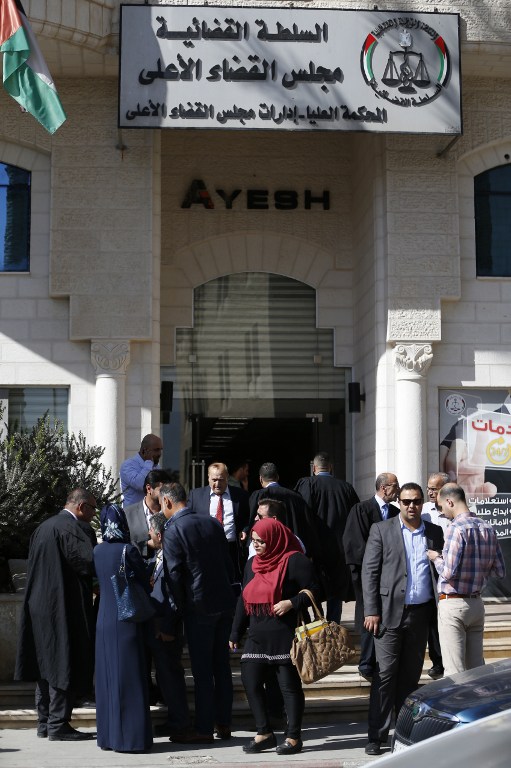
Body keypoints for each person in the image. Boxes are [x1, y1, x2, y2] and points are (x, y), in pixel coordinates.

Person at [362, 482, 444, 756]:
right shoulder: (382, 530)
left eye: (417, 501)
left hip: (421, 615)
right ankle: (376, 735)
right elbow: (369, 573)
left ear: (423, 503)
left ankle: (404, 734)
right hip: (387, 615)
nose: (412, 506)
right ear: (399, 502)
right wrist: (371, 610)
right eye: (407, 501)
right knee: (384, 676)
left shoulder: (434, 532)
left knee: (410, 679)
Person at [230, 517, 319, 756]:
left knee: (288, 686)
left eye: (261, 541)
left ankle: (293, 737)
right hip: (258, 633)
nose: (256, 545)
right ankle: (264, 733)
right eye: (254, 540)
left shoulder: (295, 561)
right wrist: (236, 631)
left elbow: (317, 589)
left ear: (275, 539)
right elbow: (243, 599)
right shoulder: (252, 564)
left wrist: (292, 602)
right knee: (250, 680)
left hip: (285, 633)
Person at [15, 488, 97, 741]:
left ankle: (44, 722)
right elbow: (86, 563)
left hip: (38, 605)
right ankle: (58, 723)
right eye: (93, 509)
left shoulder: (44, 527)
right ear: (82, 507)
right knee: (62, 661)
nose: (94, 515)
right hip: (61, 606)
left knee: (44, 665)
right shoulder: (72, 529)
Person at [161, 482, 236, 744]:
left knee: (203, 670)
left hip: (198, 606)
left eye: (162, 505)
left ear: (168, 502)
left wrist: (176, 613)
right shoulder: (212, 523)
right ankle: (223, 723)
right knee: (221, 666)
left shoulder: (173, 529)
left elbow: (173, 576)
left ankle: (204, 728)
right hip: (223, 602)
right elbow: (228, 564)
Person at [427, 483, 506, 676]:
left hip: (453, 604)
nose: (442, 512)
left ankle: (458, 706)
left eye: (441, 506)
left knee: (454, 672)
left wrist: (435, 557)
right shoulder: (488, 528)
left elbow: (448, 572)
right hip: (476, 603)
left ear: (450, 501)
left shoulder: (456, 528)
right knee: (477, 671)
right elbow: (499, 571)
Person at [94, 504, 153, 753]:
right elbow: (141, 577)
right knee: (130, 678)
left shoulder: (97, 551)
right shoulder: (128, 550)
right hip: (126, 619)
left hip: (104, 620)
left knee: (108, 679)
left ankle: (108, 737)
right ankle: (131, 739)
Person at [343, 472, 400, 680]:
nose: (398, 489)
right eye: (395, 485)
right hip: (368, 576)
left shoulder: (395, 512)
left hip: (392, 576)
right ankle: (366, 662)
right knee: (369, 616)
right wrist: (361, 578)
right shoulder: (361, 509)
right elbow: (354, 544)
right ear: (384, 487)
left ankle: (382, 660)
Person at [295, 452, 360, 622]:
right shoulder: (346, 488)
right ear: (331, 467)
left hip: (314, 550)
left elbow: (301, 516)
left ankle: (318, 627)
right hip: (339, 550)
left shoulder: (307, 485)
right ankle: (333, 627)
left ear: (314, 468)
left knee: (314, 589)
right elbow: (355, 517)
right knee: (335, 592)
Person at [146, 512, 191, 739]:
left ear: (159, 534)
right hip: (157, 626)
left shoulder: (172, 557)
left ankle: (180, 723)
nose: (148, 535)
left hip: (167, 628)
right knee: (165, 677)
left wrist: (168, 627)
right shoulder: (158, 557)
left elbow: (175, 597)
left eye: (151, 532)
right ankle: (175, 720)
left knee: (171, 677)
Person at [188, 462, 250, 581]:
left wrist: (245, 530)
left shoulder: (240, 495)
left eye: (221, 479)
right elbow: (189, 521)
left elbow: (247, 519)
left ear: (227, 477)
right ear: (208, 478)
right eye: (214, 479)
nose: (217, 484)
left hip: (231, 549)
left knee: (231, 582)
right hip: (205, 548)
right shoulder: (196, 496)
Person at [249, 462, 321, 564]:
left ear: (260, 479)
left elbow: (251, 521)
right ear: (277, 477)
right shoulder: (295, 496)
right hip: (291, 550)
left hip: (264, 549)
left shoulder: (257, 496)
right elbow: (306, 523)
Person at [421, 472, 450, 679]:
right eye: (429, 488)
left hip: (451, 571)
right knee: (432, 620)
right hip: (430, 570)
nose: (431, 492)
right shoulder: (423, 512)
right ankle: (438, 662)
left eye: (435, 488)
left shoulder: (454, 511)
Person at [124, 468, 170, 557]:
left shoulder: (171, 512)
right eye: (163, 490)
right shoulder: (128, 514)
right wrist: (147, 545)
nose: (166, 494)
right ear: (149, 488)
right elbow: (124, 546)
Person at [120, 434, 163, 507]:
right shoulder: (128, 465)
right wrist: (148, 462)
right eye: (156, 450)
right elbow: (141, 484)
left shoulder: (156, 467)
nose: (159, 453)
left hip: (152, 515)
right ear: (144, 450)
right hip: (132, 515)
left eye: (160, 450)